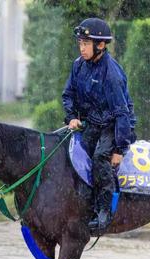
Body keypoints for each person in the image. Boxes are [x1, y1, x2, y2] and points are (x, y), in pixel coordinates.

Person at [62, 17, 137, 234]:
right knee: (69, 151)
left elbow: (122, 113)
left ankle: (104, 211)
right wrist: (71, 118)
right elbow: (68, 95)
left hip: (114, 126)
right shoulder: (78, 66)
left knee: (99, 158)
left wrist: (119, 149)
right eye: (80, 44)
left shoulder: (112, 73)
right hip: (90, 124)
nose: (82, 48)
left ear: (101, 45)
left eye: (86, 44)